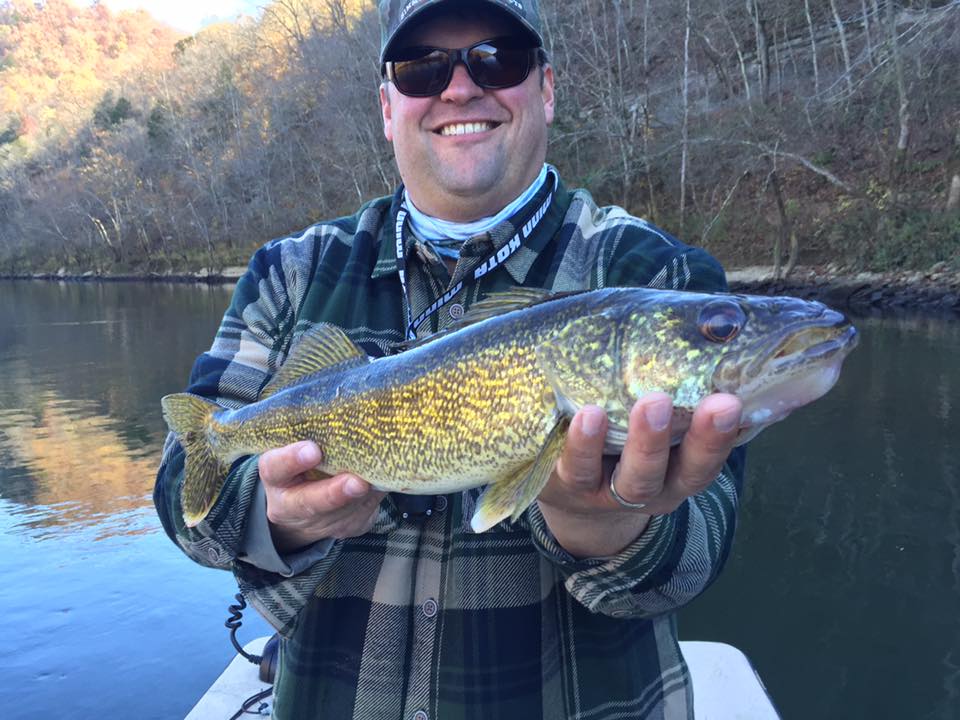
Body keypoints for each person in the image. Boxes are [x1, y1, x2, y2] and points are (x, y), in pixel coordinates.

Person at [154, 1, 747, 717]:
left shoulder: (658, 277)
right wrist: (275, 517)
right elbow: (184, 487)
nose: (460, 88)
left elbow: (698, 559)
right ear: (386, 106)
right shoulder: (291, 271)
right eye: (422, 67)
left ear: (547, 88)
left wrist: (608, 529)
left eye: (497, 58)